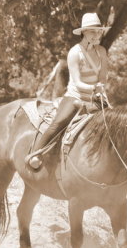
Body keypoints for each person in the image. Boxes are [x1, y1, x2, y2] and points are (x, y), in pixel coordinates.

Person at [25, 12, 111, 170]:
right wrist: (93, 88)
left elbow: (103, 76)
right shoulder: (74, 53)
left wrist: (101, 86)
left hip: (95, 98)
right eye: (93, 31)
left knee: (115, 126)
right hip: (75, 97)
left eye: (99, 31)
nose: (97, 34)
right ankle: (35, 154)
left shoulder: (102, 52)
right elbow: (77, 83)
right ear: (84, 32)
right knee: (59, 122)